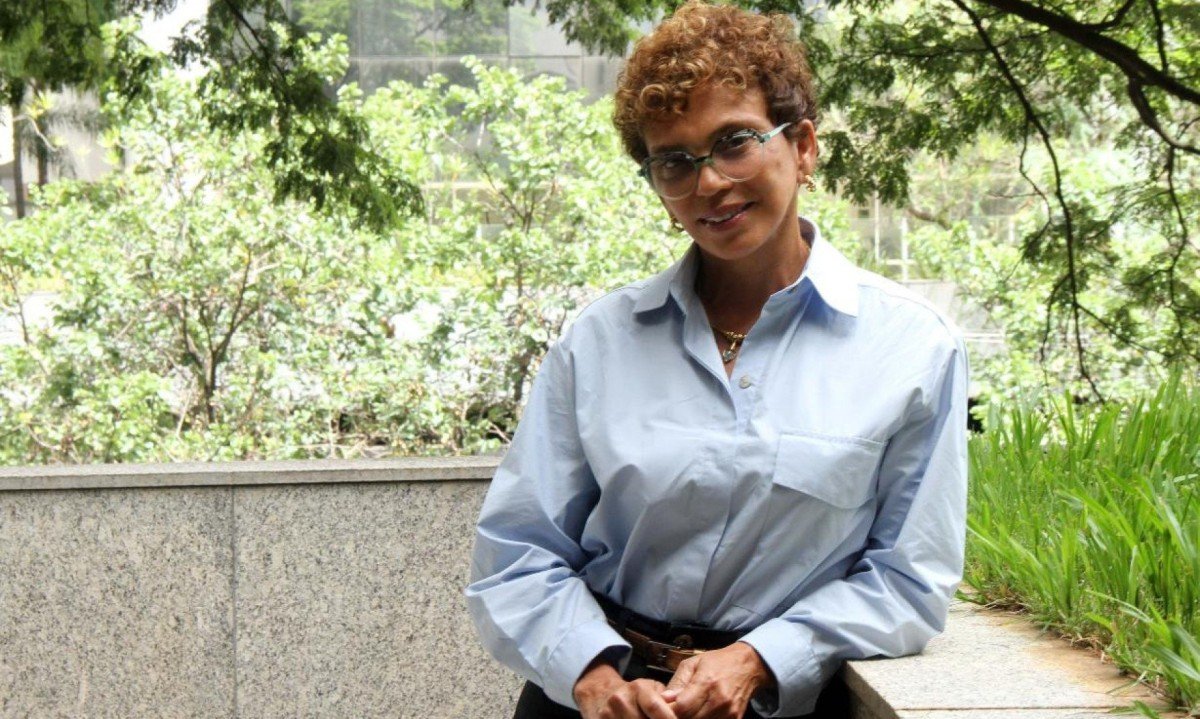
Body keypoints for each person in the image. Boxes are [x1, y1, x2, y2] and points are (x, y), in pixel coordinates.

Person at [465, 2, 968, 717]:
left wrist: (763, 657)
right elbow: (518, 551)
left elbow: (909, 578)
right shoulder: (599, 342)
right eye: (674, 161)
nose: (708, 182)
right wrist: (594, 678)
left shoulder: (911, 347)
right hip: (595, 700)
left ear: (803, 147)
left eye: (735, 142)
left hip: (777, 703)